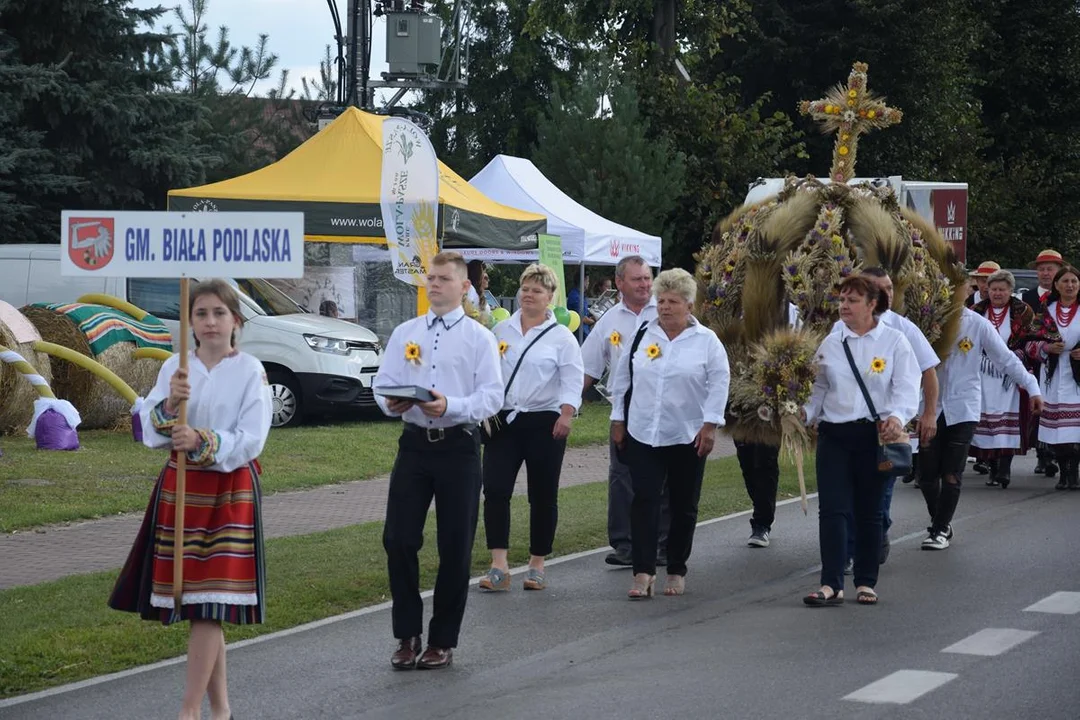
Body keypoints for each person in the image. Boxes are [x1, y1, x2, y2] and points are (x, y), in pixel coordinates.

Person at [109, 279, 272, 720]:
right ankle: (220, 708)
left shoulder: (251, 370)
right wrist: (168, 409)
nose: (210, 321)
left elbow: (252, 438)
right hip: (181, 489)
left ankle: (189, 711)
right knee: (202, 604)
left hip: (228, 490)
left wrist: (202, 439)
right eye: (201, 313)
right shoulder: (174, 368)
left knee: (209, 605)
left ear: (236, 320)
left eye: (219, 312)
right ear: (190, 322)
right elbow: (148, 426)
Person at [373, 251, 503, 670]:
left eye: (444, 279)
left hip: (459, 448)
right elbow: (383, 383)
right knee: (399, 539)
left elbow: (492, 398)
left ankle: (442, 639)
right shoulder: (405, 332)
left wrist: (451, 405)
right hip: (413, 444)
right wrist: (390, 403)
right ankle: (407, 634)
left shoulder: (479, 338)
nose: (433, 285)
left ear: (464, 287)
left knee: (455, 545)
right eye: (430, 277)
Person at [609, 268, 730, 599]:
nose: (664, 307)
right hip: (643, 431)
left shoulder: (706, 341)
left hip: (687, 433)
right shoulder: (643, 334)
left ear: (689, 305)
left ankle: (676, 567)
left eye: (672, 301)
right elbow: (623, 380)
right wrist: (618, 420)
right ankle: (643, 571)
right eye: (660, 300)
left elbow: (720, 382)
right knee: (644, 499)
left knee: (682, 504)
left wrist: (710, 425)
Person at [803, 275, 920, 606]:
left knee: (869, 511)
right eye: (841, 299)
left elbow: (907, 386)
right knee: (833, 510)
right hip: (835, 435)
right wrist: (802, 413)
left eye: (852, 300)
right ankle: (831, 583)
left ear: (873, 304)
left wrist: (896, 417)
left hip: (876, 436)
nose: (844, 305)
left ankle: (866, 581)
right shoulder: (831, 342)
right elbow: (818, 387)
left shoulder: (895, 341)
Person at [478, 264, 584, 592]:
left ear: (550, 297)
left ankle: (537, 563)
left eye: (537, 290)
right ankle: (499, 564)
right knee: (495, 490)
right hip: (504, 422)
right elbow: (488, 372)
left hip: (544, 422)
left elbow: (572, 378)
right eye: (525, 288)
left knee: (542, 494)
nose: (528, 295)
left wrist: (567, 414)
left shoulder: (562, 337)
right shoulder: (501, 331)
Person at [829, 267, 940, 564]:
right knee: (849, 491)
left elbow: (927, 371)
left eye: (890, 288)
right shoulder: (839, 329)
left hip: (886, 429)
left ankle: (876, 533)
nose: (887, 294)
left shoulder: (902, 330)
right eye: (880, 288)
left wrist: (927, 414)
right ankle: (853, 548)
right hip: (847, 428)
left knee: (880, 491)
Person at [920, 284, 1043, 550]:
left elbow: (1005, 359)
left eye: (956, 289)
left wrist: (1031, 386)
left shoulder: (977, 324)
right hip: (930, 407)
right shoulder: (925, 321)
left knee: (951, 472)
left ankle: (939, 529)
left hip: (964, 407)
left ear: (966, 291)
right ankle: (939, 519)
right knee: (927, 474)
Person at [580, 256, 668, 567]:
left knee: (663, 479)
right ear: (620, 283)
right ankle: (624, 545)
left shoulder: (667, 311)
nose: (645, 284)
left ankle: (662, 546)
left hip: (664, 408)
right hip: (625, 410)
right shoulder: (610, 320)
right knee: (622, 477)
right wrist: (565, 402)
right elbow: (588, 365)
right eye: (637, 279)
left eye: (647, 278)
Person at [970, 270, 1039, 488]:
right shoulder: (976, 312)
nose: (998, 293)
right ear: (987, 291)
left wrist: (1020, 354)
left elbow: (1033, 339)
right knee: (986, 422)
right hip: (982, 374)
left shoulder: (1023, 312)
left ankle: (1004, 469)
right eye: (993, 289)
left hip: (1009, 376)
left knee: (1007, 423)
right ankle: (991, 467)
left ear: (1011, 291)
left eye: (1002, 289)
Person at [1028, 264, 1080, 490]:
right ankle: (1064, 472)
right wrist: (1046, 349)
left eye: (1074, 282)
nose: (1070, 285)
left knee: (1075, 429)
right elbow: (1028, 342)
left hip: (1077, 377)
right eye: (1065, 281)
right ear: (1056, 285)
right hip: (1053, 373)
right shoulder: (1045, 310)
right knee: (1058, 430)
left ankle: (1074, 472)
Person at [1021, 249, 1066, 478]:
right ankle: (1042, 454)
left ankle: (1062, 453)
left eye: (1050, 269)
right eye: (1041, 269)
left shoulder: (1066, 297)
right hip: (1035, 359)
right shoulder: (1026, 298)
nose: (1045, 273)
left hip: (1062, 360)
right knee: (1039, 407)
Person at [566, 271, 595, 338]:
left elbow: (585, 314)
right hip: (580, 334)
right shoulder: (576, 296)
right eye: (587, 281)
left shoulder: (581, 295)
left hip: (584, 332)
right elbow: (582, 318)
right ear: (583, 281)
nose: (588, 283)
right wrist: (594, 321)